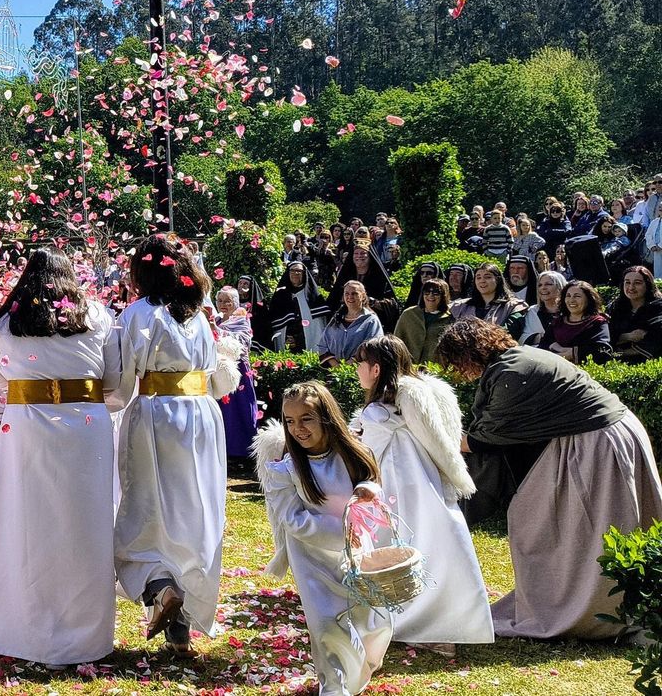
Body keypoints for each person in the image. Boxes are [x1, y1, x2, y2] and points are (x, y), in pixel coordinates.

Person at [436, 319, 662, 639]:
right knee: (559, 522)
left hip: (598, 441)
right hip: (607, 434)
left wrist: (437, 440)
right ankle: (590, 601)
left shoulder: (513, 372)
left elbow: (486, 438)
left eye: (457, 362)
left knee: (568, 526)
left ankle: (591, 607)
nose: (459, 372)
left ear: (470, 353)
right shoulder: (519, 358)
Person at [0, 247, 116, 667]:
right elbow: (113, 379)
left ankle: (27, 630)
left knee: (27, 523)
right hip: (85, 430)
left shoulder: (7, 321)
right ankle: (83, 636)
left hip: (27, 428)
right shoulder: (98, 316)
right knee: (83, 526)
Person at [112, 235, 235, 656]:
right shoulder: (199, 316)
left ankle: (160, 587)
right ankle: (180, 631)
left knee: (146, 511)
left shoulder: (138, 314)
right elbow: (215, 372)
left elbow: (120, 384)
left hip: (155, 416)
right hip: (201, 418)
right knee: (192, 513)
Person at [350, 337, 492, 654]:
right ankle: (439, 621)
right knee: (430, 543)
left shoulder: (378, 411)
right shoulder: (412, 396)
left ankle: (410, 621)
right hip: (422, 482)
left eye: (360, 363)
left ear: (375, 369)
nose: (357, 369)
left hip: (397, 485)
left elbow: (367, 452)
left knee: (399, 544)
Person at [253, 382, 391, 696]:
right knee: (327, 624)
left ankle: (363, 665)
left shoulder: (354, 453)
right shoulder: (286, 469)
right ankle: (334, 685)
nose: (297, 429)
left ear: (326, 417)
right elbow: (291, 518)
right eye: (290, 421)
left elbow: (372, 483)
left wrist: (367, 491)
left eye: (306, 419)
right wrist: (342, 531)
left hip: (356, 550)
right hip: (312, 556)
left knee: (373, 619)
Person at [214, 286, 260, 473]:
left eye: (228, 301)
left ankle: (244, 453)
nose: (223, 304)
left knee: (241, 410)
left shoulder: (241, 319)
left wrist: (216, 331)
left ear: (236, 302)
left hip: (239, 372)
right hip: (219, 371)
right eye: (220, 301)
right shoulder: (216, 319)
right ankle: (226, 451)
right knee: (224, 412)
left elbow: (242, 341)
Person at [539, 280, 614, 363]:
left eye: (577, 296)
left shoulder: (597, 323)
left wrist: (572, 353)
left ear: (588, 299)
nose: (571, 300)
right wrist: (556, 347)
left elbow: (602, 350)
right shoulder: (557, 322)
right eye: (568, 296)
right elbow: (543, 345)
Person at [451, 262, 530, 340]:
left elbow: (509, 333)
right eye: (478, 277)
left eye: (487, 277)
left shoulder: (513, 306)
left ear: (498, 279)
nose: (482, 281)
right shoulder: (460, 307)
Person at [267, 261, 330, 353]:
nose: (295, 273)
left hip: (309, 340)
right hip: (286, 339)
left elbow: (319, 324)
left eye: (299, 271)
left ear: (304, 273)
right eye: (292, 270)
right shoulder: (280, 296)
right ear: (288, 273)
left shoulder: (312, 296)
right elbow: (275, 322)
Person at [319, 281, 383, 368]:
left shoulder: (371, 320)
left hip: (360, 371)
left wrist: (350, 364)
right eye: (347, 293)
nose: (350, 297)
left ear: (363, 296)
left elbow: (373, 347)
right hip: (333, 371)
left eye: (354, 293)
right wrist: (335, 365)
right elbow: (323, 344)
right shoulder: (337, 318)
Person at [393, 279, 454, 364]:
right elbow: (396, 341)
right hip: (408, 367)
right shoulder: (409, 314)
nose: (430, 295)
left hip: (434, 369)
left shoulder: (450, 319)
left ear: (444, 295)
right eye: (427, 292)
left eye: (436, 293)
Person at [611, 266, 662, 364]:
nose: (631, 287)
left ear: (648, 285)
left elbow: (656, 337)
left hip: (647, 362)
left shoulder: (658, 307)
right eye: (627, 282)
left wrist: (624, 352)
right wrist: (627, 336)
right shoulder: (615, 307)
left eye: (637, 283)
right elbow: (606, 335)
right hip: (614, 362)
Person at [328, 242, 395, 307]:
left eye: (363, 253)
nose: (359, 256)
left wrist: (372, 302)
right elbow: (334, 299)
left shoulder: (379, 277)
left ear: (370, 256)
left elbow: (392, 303)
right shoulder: (345, 275)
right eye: (356, 253)